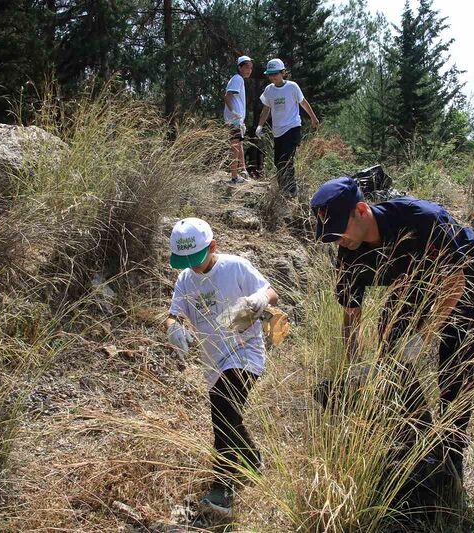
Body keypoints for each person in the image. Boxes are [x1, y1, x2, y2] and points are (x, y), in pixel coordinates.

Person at [310, 177, 474, 484]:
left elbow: (454, 281)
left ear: (362, 210)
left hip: (458, 273)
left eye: (340, 230)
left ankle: (452, 452)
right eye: (331, 236)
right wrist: (355, 366)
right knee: (390, 345)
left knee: (454, 362)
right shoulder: (349, 253)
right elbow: (351, 316)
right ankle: (419, 435)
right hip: (410, 280)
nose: (339, 240)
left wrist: (423, 336)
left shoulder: (420, 219)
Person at [165, 217, 278, 517]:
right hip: (212, 362)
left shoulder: (235, 266)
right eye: (185, 261)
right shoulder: (185, 280)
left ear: (213, 247)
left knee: (222, 410)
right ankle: (252, 457)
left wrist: (258, 299)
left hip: (245, 353)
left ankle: (223, 485)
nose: (193, 266)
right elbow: (173, 314)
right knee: (228, 414)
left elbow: (270, 292)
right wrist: (173, 328)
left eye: (197, 259)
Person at [256, 58, 319, 197]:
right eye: (270, 74)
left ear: (283, 72)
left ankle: (291, 191)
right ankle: (283, 190)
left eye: (275, 73)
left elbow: (303, 103)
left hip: (292, 127)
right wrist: (260, 126)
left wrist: (313, 118)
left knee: (286, 159)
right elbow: (266, 109)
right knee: (278, 161)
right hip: (278, 131)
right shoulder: (269, 90)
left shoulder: (292, 87)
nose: (273, 77)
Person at [224, 55, 253, 184]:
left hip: (237, 120)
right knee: (235, 146)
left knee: (239, 145)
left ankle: (243, 172)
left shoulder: (238, 79)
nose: (249, 70)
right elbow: (227, 96)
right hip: (234, 120)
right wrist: (233, 113)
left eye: (251, 68)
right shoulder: (237, 78)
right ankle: (234, 177)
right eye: (247, 67)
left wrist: (240, 119)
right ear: (240, 67)